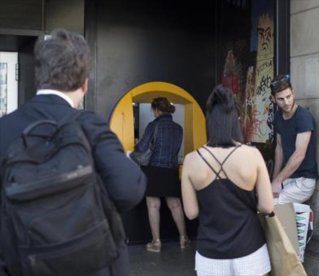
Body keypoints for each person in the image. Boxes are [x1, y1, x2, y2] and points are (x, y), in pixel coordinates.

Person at [0, 29, 147, 275]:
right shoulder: (90, 125)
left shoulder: (4, 128)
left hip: (24, 264)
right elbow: (129, 188)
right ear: (85, 83)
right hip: (92, 264)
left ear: (39, 77)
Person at [181, 84, 273, 276]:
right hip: (251, 250)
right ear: (235, 121)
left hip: (210, 253)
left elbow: (191, 213)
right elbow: (266, 206)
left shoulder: (191, 160)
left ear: (209, 121)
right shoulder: (252, 154)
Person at [135, 97, 189, 252]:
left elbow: (142, 148)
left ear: (157, 110)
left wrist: (137, 142)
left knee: (153, 204)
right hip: (171, 170)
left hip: (153, 170)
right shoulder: (178, 128)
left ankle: (156, 243)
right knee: (175, 204)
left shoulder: (153, 126)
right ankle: (183, 238)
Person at [270, 74, 319, 204]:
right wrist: (275, 179)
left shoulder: (303, 118)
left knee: (270, 204)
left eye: (288, 96)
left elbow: (299, 155)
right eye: (281, 99)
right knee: (262, 198)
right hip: (288, 177)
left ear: (293, 93)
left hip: (304, 180)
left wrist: (278, 181)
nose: (286, 102)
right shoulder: (278, 117)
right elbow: (279, 148)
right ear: (273, 99)